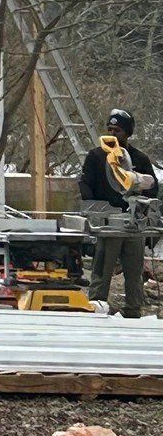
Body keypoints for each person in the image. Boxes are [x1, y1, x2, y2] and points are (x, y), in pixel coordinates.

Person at [79, 108, 157, 318]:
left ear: (128, 132)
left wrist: (144, 210)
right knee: (102, 270)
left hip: (133, 225)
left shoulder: (139, 158)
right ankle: (97, 306)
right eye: (110, 129)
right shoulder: (96, 156)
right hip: (108, 224)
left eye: (118, 130)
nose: (113, 134)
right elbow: (85, 185)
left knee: (134, 272)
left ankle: (133, 310)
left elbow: (152, 189)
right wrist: (96, 211)